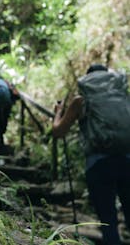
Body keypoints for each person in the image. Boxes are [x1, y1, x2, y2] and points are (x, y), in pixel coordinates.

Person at [52, 64, 130, 245]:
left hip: (99, 164)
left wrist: (58, 113)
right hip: (127, 161)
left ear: (88, 81)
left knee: (108, 219)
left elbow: (58, 132)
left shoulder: (81, 100)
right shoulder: (122, 96)